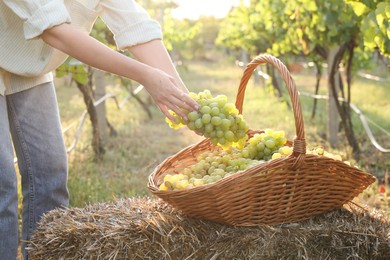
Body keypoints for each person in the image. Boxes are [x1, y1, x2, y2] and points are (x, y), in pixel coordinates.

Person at [0, 0, 199, 259]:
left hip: (26, 59)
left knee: (50, 177)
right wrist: (146, 76)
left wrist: (182, 95)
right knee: (2, 186)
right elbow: (54, 30)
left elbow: (136, 25)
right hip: (26, 42)